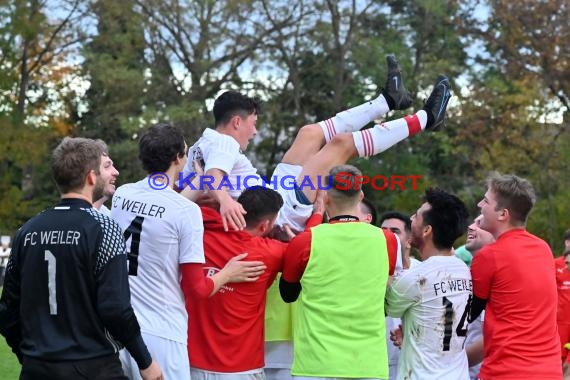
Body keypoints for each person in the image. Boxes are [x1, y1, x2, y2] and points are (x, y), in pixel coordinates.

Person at [181, 55, 452, 234]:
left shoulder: (201, 144)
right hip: (280, 213)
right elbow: (214, 178)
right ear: (236, 122)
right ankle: (426, 119)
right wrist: (225, 201)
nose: (255, 130)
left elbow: (193, 187)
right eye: (253, 123)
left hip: (273, 193)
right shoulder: (223, 145)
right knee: (340, 145)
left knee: (309, 133)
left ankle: (388, 101)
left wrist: (211, 198)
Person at [110, 124, 266, 380]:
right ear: (178, 158)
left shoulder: (123, 194)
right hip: (162, 334)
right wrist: (227, 274)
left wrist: (200, 179)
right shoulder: (185, 212)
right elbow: (197, 289)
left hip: (121, 328)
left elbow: (163, 205)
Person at [0, 137, 162, 380]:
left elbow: (7, 311)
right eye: (105, 168)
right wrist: (145, 361)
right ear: (90, 177)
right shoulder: (103, 227)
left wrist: (30, 355)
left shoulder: (27, 230)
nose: (113, 172)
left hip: (37, 368)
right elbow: (116, 309)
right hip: (92, 366)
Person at [186, 186, 321, 379]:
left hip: (192, 363)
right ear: (265, 225)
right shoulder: (270, 253)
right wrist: (317, 214)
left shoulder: (202, 233)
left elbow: (179, 206)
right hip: (242, 367)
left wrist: (217, 200)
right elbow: (308, 250)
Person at [279, 164, 399, 379]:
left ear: (325, 197)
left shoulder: (306, 241)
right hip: (368, 363)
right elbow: (385, 283)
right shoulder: (388, 240)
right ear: (361, 195)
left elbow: (288, 294)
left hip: (316, 363)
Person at [470, 172, 561, 379]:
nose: (479, 205)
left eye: (485, 201)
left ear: (503, 214)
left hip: (507, 371)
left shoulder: (489, 256)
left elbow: (465, 315)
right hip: (549, 371)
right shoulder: (543, 249)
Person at [385, 188, 470, 380]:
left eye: (415, 216)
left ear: (426, 230)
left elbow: (387, 305)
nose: (411, 219)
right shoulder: (463, 269)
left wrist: (387, 255)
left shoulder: (418, 276)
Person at [377, 210, 414, 380]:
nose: (387, 235)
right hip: (373, 364)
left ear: (409, 240)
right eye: (383, 230)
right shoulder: (369, 273)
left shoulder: (422, 272)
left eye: (395, 231)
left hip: (410, 365)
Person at [463, 215, 494, 380]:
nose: (470, 227)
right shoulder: (469, 273)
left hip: (481, 373)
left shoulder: (495, 279)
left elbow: (488, 339)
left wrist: (451, 363)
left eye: (479, 223)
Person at [92, 140, 119, 216]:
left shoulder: (109, 217)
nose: (116, 172)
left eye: (112, 166)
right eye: (107, 166)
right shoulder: (73, 222)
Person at [556, 249, 570, 377]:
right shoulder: (556, 266)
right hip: (562, 323)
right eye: (565, 263)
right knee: (561, 363)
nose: (566, 266)